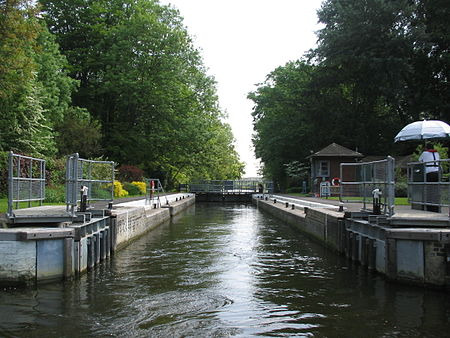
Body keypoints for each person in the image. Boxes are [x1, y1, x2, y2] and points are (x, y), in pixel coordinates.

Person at [419, 143, 440, 212]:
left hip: (429, 172)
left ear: (426, 148)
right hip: (437, 172)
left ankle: (429, 206)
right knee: (436, 190)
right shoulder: (437, 153)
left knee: (428, 190)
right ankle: (436, 207)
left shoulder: (424, 153)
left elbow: (420, 161)